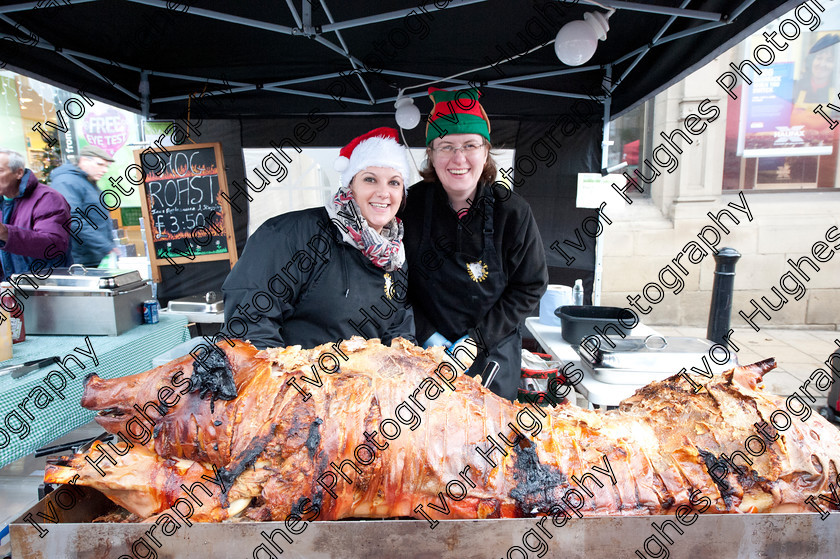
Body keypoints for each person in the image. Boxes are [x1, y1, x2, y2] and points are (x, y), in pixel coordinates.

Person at [400, 88, 548, 401]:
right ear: (431, 153)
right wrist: (427, 334)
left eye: (470, 145)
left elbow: (530, 286)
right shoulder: (408, 205)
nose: (459, 158)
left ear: (485, 151)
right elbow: (395, 282)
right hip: (425, 355)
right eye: (446, 147)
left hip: (493, 355)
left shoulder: (513, 210)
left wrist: (477, 340)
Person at [222, 127, 415, 349]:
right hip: (295, 380)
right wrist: (288, 381)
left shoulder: (393, 256)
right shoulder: (290, 235)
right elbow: (249, 325)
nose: (383, 192)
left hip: (361, 383)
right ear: (350, 185)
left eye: (394, 182)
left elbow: (399, 333)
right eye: (370, 179)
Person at [0, 147, 72, 280]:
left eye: (0, 171)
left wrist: (5, 233)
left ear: (19, 173)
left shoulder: (48, 198)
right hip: (10, 291)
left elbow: (54, 246)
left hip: (45, 289)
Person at [49, 145, 118, 267]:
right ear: (84, 160)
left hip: (92, 255)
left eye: (106, 166)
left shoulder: (86, 181)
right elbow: (72, 220)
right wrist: (105, 246)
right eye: (100, 164)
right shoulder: (66, 182)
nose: (105, 170)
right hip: (79, 259)